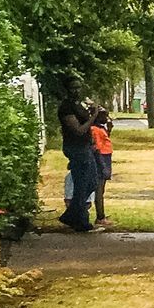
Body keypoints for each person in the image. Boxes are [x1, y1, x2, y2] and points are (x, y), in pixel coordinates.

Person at [54, 94, 98, 233]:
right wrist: (94, 116)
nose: (76, 90)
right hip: (76, 149)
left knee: (91, 182)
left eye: (78, 87)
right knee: (83, 183)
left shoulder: (78, 105)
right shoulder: (66, 108)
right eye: (73, 87)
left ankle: (73, 215)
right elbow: (79, 130)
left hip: (85, 147)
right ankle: (79, 219)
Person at [89, 106, 114, 227]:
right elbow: (97, 148)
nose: (107, 118)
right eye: (104, 115)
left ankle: (101, 214)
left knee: (101, 189)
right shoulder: (95, 129)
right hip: (101, 159)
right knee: (99, 189)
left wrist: (109, 130)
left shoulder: (100, 128)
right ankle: (100, 216)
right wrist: (103, 166)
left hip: (105, 157)